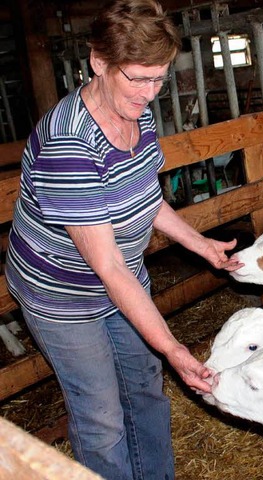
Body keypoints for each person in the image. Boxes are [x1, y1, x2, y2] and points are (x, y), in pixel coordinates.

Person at [5, 1, 240, 478]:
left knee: (145, 387)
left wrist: (201, 245)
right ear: (98, 62)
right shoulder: (67, 145)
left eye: (159, 79)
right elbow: (106, 266)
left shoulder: (137, 113)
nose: (150, 93)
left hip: (123, 281)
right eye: (138, 78)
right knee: (102, 416)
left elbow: (145, 198)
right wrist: (174, 348)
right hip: (64, 297)